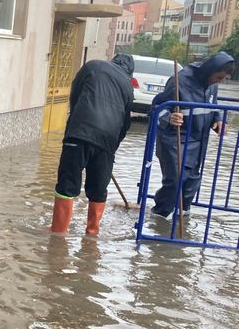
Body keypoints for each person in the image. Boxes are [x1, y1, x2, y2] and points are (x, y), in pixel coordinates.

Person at [50, 54, 134, 235]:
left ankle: (58, 233)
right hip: (107, 141)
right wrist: (110, 149)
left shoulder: (92, 66)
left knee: (67, 184)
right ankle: (92, 233)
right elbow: (126, 124)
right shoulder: (127, 85)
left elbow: (75, 98)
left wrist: (73, 126)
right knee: (98, 189)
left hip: (78, 135)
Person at [151, 52, 235, 219]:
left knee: (191, 182)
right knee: (175, 181)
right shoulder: (180, 80)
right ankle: (158, 217)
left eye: (222, 79)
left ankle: (182, 218)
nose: (218, 82)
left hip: (198, 140)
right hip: (175, 139)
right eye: (218, 77)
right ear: (209, 70)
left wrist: (217, 121)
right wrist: (170, 117)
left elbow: (213, 106)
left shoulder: (212, 85)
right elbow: (157, 107)